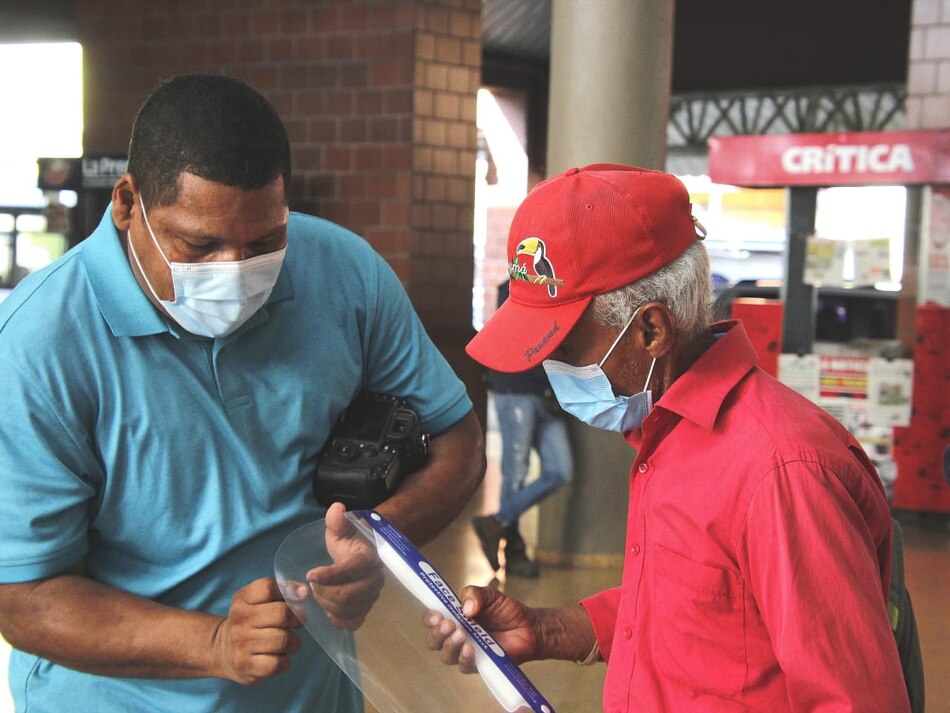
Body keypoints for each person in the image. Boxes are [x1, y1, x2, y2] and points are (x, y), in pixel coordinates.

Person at [0, 74, 484, 712]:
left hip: (313, 698)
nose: (233, 273)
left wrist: (377, 544)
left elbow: (457, 440)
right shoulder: (41, 341)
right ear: (127, 203)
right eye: (199, 245)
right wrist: (214, 645)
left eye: (263, 244)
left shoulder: (344, 272)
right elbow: (25, 598)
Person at [426, 164, 911, 712]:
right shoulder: (666, 434)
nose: (552, 372)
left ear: (651, 330)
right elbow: (693, 611)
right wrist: (548, 630)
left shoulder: (781, 470)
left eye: (565, 352)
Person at [472, 279, 573, 578]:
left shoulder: (562, 285)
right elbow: (520, 334)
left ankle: (496, 522)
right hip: (516, 389)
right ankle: (514, 553)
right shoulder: (514, 287)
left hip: (551, 393)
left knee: (560, 471)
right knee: (515, 473)